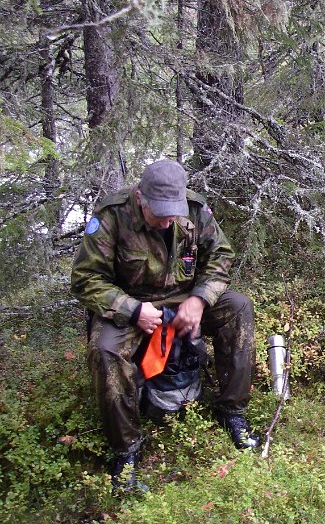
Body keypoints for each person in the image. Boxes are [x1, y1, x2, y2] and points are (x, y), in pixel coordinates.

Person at [71, 159, 259, 491]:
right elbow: (87, 279)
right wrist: (132, 310)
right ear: (140, 197)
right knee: (106, 350)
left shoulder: (195, 209)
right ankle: (126, 449)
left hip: (184, 296)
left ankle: (232, 411)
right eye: (159, 212)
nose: (168, 219)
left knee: (239, 308)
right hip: (131, 303)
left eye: (172, 211)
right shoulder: (112, 216)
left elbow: (221, 256)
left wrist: (199, 299)